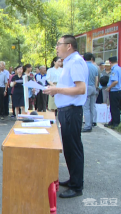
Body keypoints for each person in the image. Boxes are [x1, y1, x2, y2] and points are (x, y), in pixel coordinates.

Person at [43, 35, 88, 198]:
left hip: (72, 111)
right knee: (69, 147)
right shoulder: (69, 62)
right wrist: (55, 89)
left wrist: (57, 90)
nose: (56, 47)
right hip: (66, 110)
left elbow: (81, 89)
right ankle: (73, 179)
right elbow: (70, 87)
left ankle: (77, 186)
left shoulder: (75, 62)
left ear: (69, 46)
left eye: (59, 44)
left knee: (73, 147)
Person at [105, 56, 121, 128]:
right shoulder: (120, 69)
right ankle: (113, 121)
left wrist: (109, 87)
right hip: (118, 91)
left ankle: (116, 123)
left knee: (114, 107)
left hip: (114, 90)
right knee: (116, 107)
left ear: (110, 62)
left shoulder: (114, 70)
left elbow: (115, 81)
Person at [81, 53, 98, 132]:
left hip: (86, 87)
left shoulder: (83, 67)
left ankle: (87, 125)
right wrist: (95, 87)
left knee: (86, 108)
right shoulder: (95, 67)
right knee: (92, 106)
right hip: (93, 87)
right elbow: (96, 79)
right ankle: (93, 122)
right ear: (91, 58)